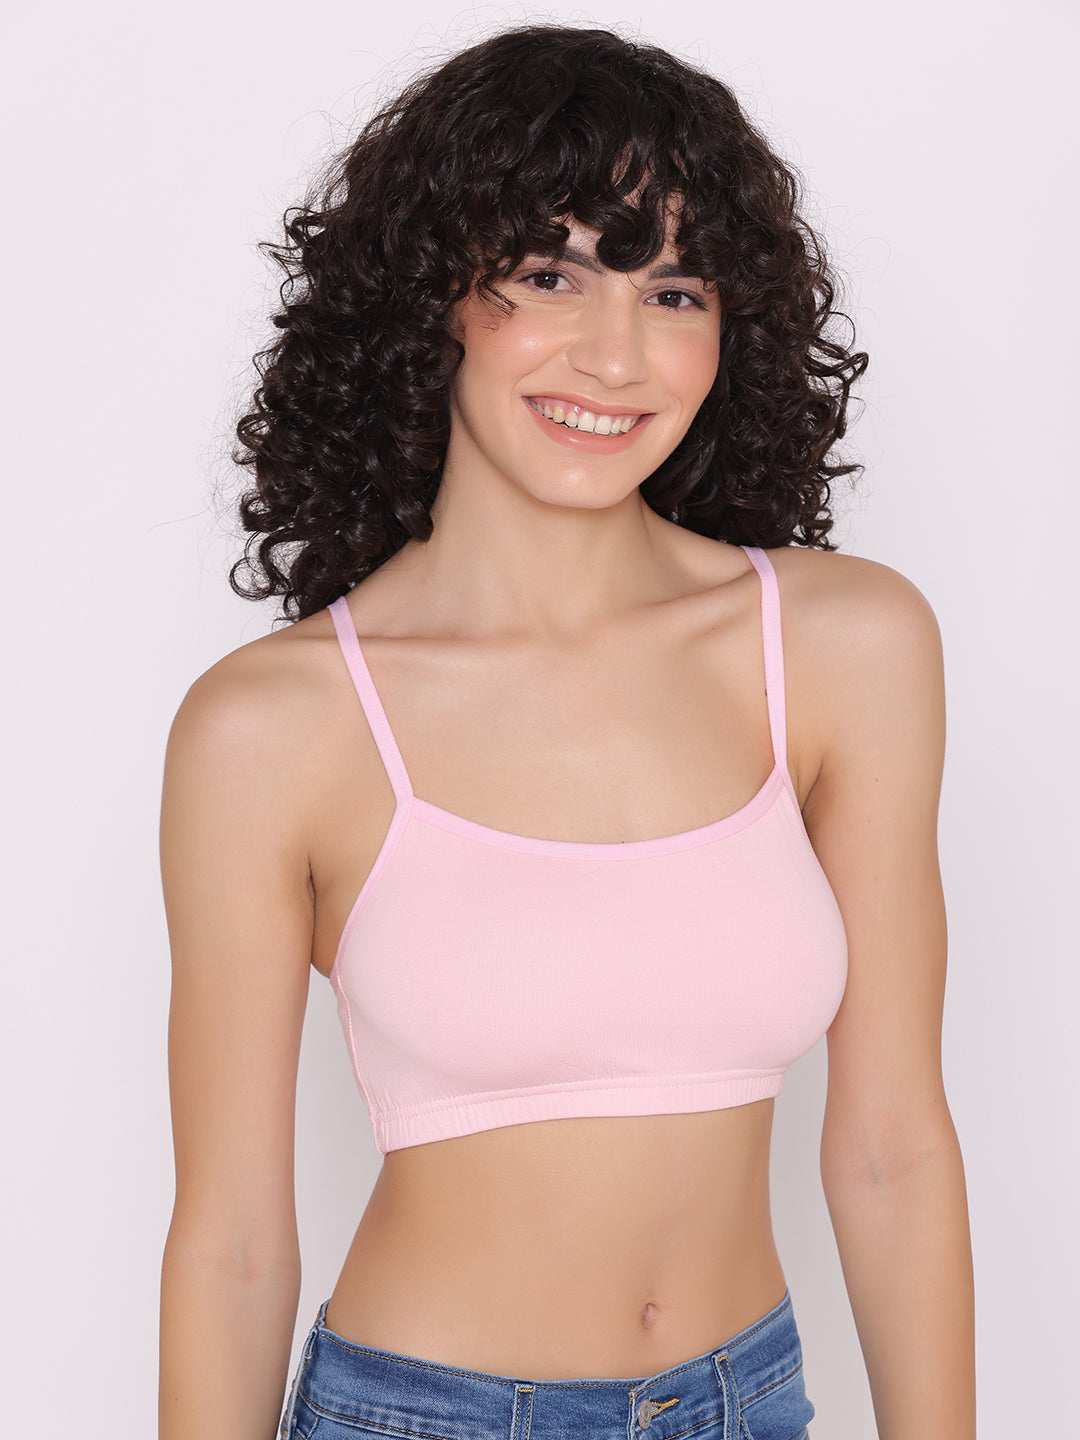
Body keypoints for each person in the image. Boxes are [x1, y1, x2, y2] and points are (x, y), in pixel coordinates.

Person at [158, 23, 976, 1440]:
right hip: (422, 1415)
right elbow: (231, 1246)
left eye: (674, 291)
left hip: (746, 1402)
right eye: (549, 275)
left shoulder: (846, 646)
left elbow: (895, 1148)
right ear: (428, 294)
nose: (616, 355)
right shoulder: (273, 728)